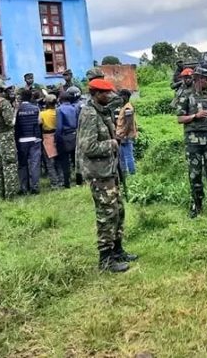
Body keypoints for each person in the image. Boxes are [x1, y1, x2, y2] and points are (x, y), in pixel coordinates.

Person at [78, 78, 137, 273]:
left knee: (118, 211)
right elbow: (88, 147)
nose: (110, 97)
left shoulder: (102, 112)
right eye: (106, 94)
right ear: (95, 94)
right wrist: (112, 143)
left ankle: (117, 250)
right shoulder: (89, 114)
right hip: (99, 173)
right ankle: (105, 259)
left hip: (110, 170)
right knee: (106, 215)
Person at [177, 67, 207, 218]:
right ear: (198, 79)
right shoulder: (186, 96)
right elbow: (180, 119)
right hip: (193, 141)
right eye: (206, 79)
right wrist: (196, 115)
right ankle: (197, 205)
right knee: (194, 174)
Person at [14, 90, 42, 195]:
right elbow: (40, 122)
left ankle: (24, 187)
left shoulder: (17, 110)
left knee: (22, 164)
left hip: (21, 140)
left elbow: (13, 123)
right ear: (31, 97)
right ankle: (35, 187)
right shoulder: (36, 108)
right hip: (34, 139)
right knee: (34, 164)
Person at [55, 91, 79, 188]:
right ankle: (79, 181)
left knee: (65, 161)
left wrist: (57, 138)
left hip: (64, 136)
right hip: (75, 134)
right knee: (76, 160)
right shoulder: (75, 108)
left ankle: (67, 182)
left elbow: (59, 126)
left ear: (60, 99)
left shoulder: (59, 109)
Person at [39, 94, 63, 189]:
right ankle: (62, 180)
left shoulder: (42, 114)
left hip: (47, 137)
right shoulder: (59, 112)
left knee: (50, 163)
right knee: (59, 162)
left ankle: (54, 183)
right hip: (58, 136)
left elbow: (39, 123)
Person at [115, 89, 137, 176]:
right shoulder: (124, 107)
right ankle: (124, 174)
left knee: (128, 156)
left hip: (125, 136)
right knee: (122, 156)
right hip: (122, 135)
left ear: (125, 97)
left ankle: (132, 174)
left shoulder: (128, 108)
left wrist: (123, 134)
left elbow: (128, 123)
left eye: (121, 96)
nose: (120, 98)